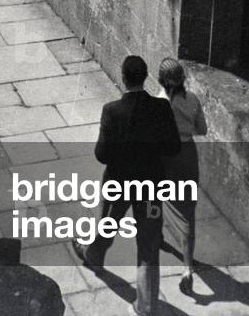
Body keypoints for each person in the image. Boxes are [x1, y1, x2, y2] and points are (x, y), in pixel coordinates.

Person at [72, 55, 181, 316]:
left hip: (119, 183)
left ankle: (94, 256)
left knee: (108, 223)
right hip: (150, 187)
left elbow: (102, 155)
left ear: (123, 77)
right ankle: (145, 305)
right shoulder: (162, 109)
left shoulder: (112, 111)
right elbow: (174, 147)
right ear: (145, 77)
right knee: (148, 244)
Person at [157, 57, 208, 295]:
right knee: (187, 210)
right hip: (187, 154)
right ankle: (187, 267)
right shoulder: (193, 100)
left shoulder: (158, 103)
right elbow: (202, 129)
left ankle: (156, 235)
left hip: (165, 155)